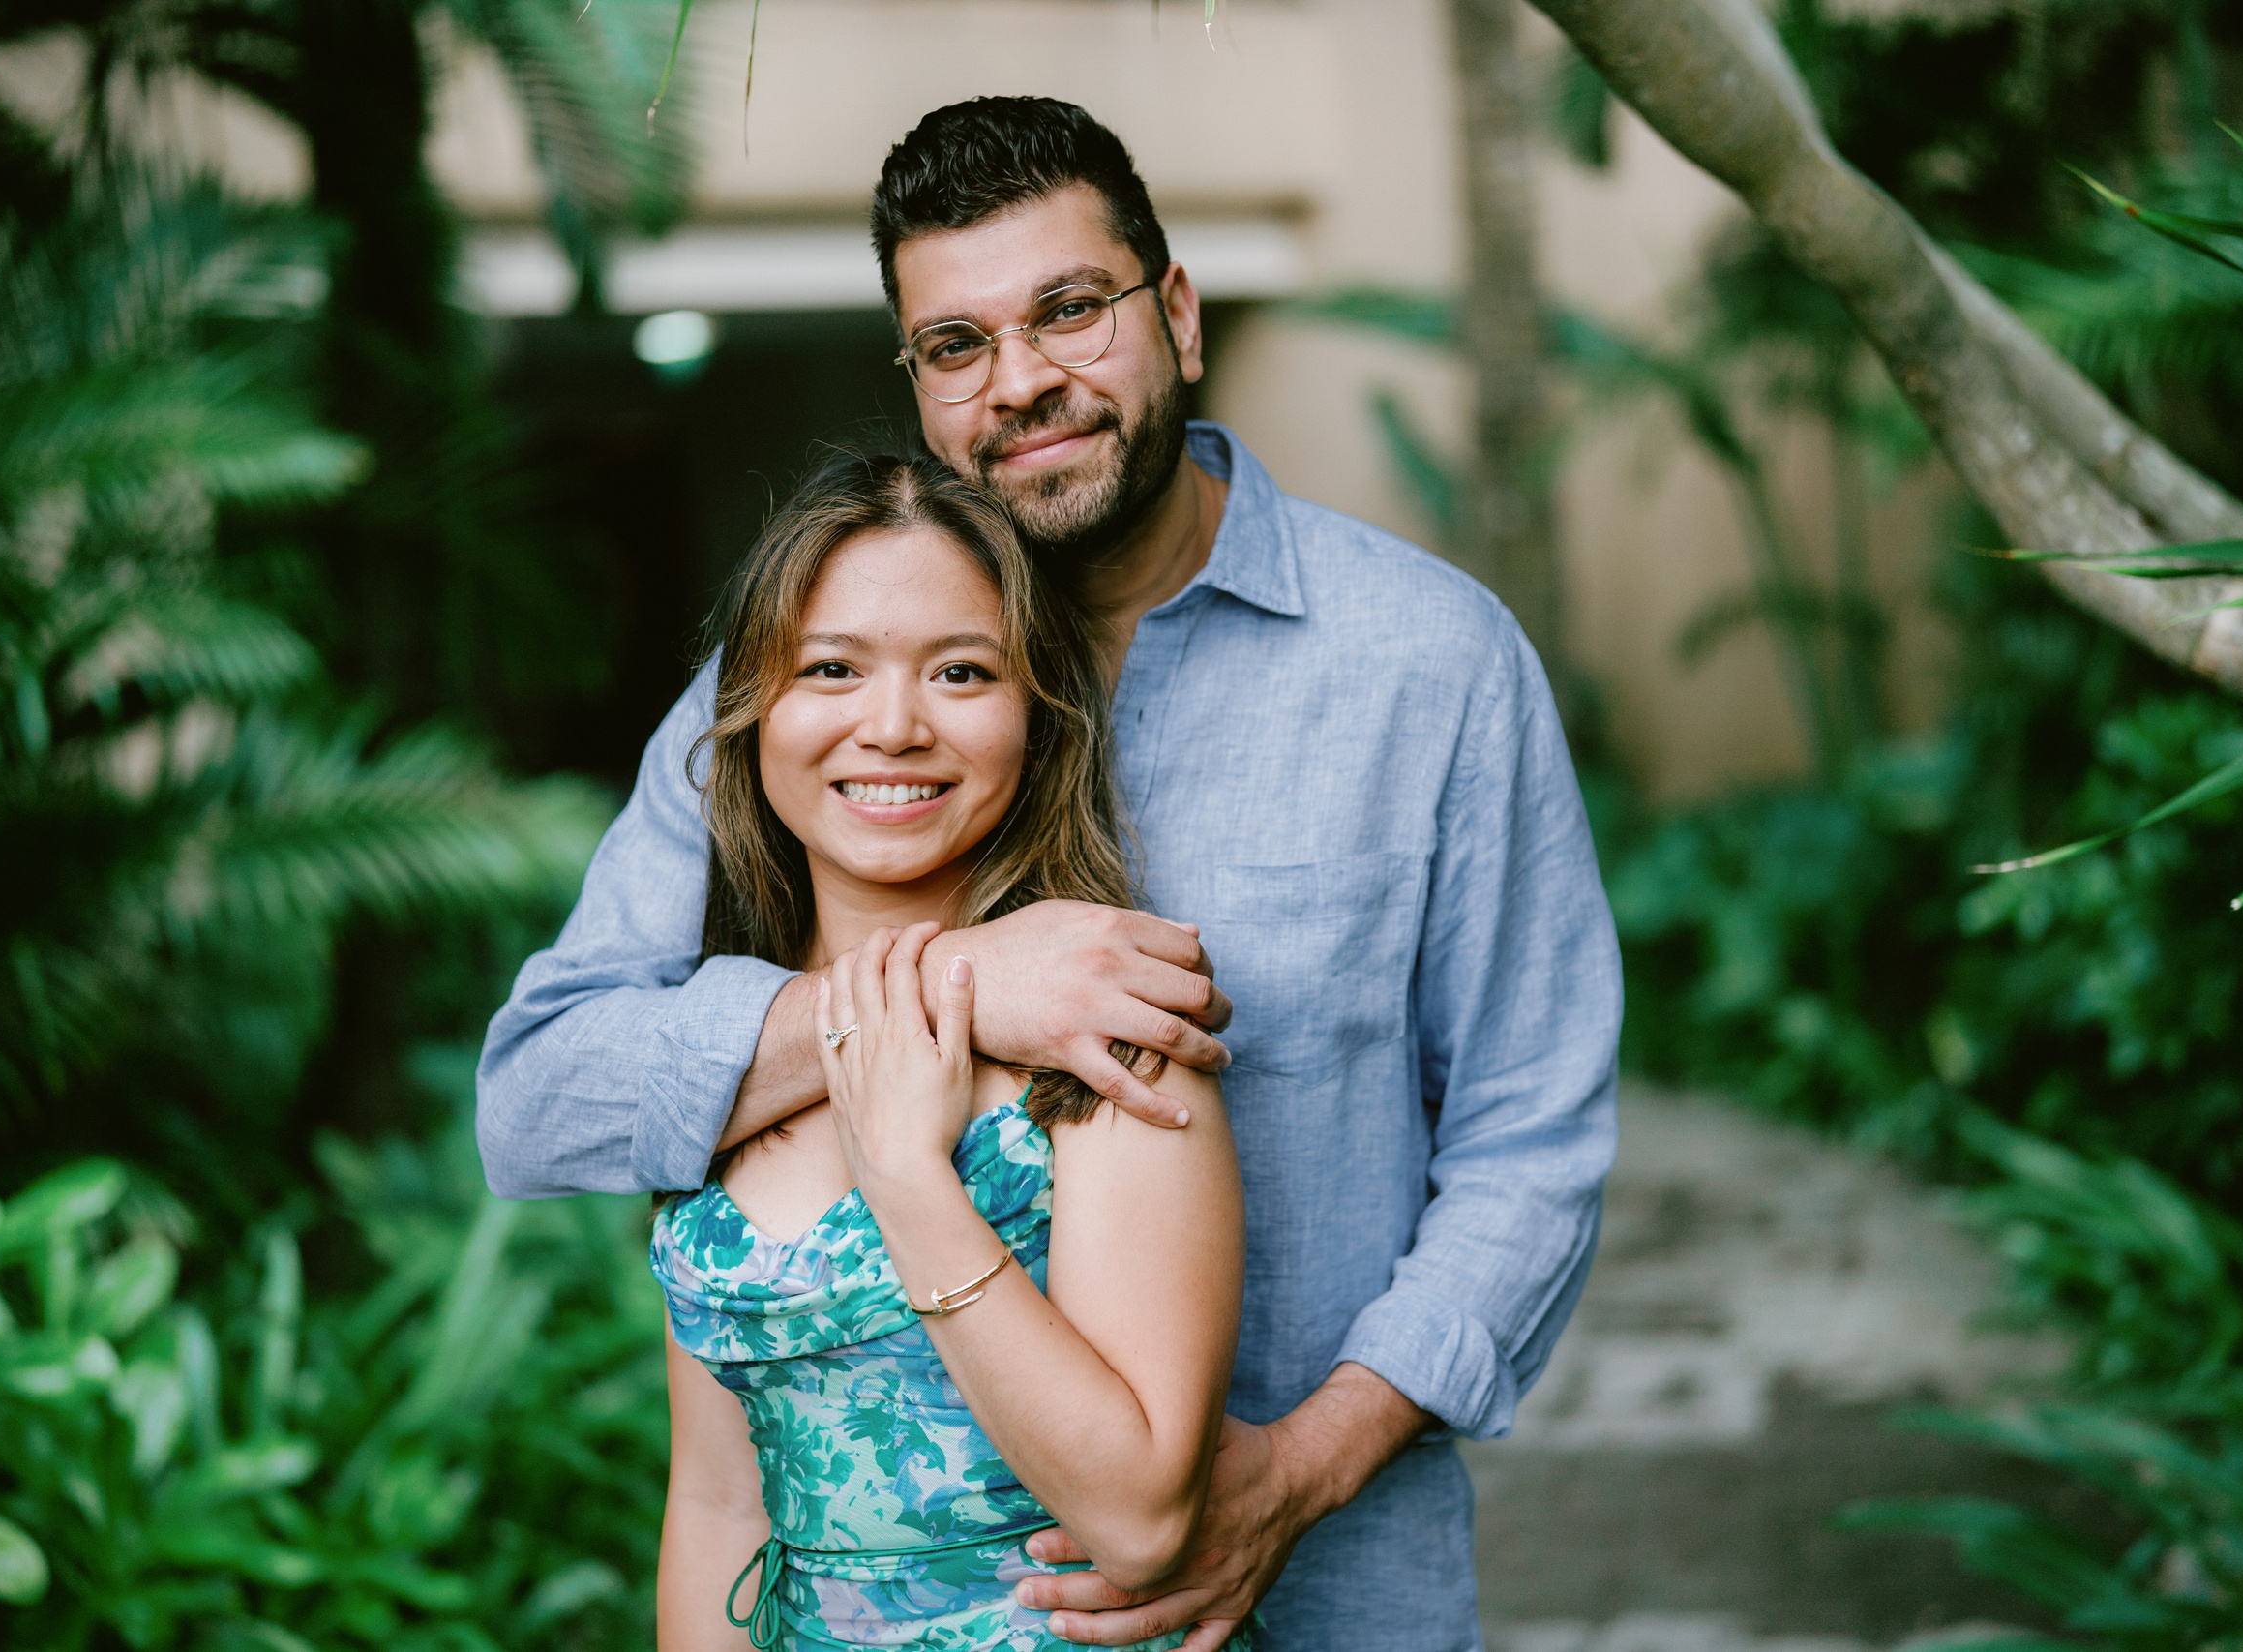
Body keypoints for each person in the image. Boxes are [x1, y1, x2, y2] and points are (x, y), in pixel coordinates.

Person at [480, 96, 1621, 1652]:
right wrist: (957, 984)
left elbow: (1532, 1141)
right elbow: (544, 1089)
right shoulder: (811, 689)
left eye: (1068, 310)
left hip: (1341, 1579)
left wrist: (1296, 1471)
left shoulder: (1429, 666)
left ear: (1179, 313)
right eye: (954, 345)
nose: (1020, 382)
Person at [651, 452, 1248, 1652]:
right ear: (754, 711)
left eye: (962, 673)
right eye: (831, 669)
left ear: (1035, 718)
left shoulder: (1114, 1045)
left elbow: (1140, 1519)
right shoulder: (724, 1048)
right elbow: (717, 1505)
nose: (893, 727)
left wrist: (909, 1178)